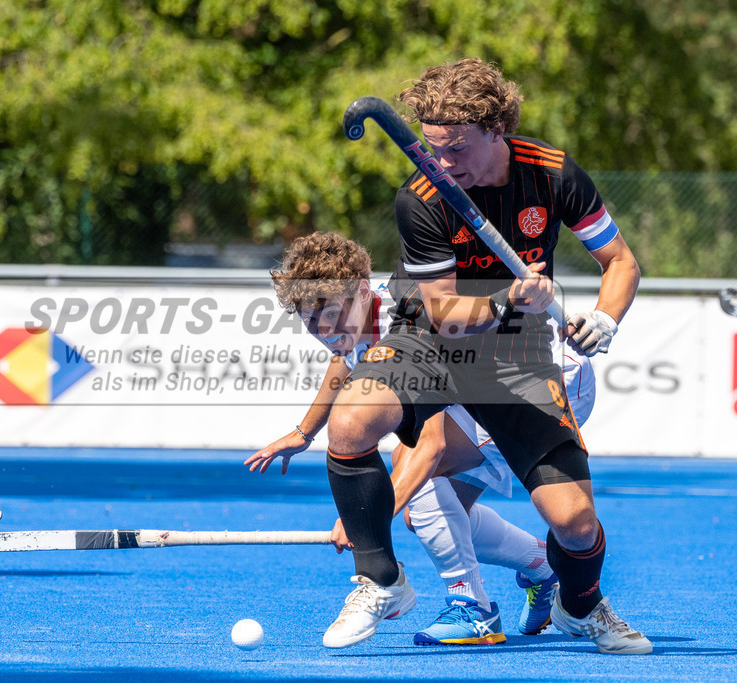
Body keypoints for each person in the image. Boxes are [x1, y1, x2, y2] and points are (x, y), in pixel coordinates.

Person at [310, 58, 648, 655]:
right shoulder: (421, 197)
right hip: (432, 338)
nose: (442, 164)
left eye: (457, 149)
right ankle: (381, 580)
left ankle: (581, 606)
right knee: (352, 421)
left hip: (519, 355)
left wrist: (604, 317)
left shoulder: (553, 174)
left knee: (574, 523)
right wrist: (504, 298)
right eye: (433, 148)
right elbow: (441, 310)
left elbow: (619, 261)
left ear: (498, 130)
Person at [247, 232, 593, 646]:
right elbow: (347, 357)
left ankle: (473, 609)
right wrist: (305, 432)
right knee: (424, 515)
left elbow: (430, 446)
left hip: (542, 382)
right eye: (310, 320)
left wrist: (367, 522)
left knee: (416, 472)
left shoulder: (410, 320)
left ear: (361, 291)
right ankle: (541, 566)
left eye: (333, 315)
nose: (324, 330)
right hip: (484, 383)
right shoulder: (357, 308)